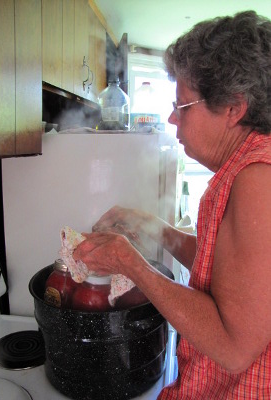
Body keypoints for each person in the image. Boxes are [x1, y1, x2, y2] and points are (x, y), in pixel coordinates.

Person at [73, 10, 271, 399]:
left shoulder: (258, 179)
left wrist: (129, 262)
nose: (171, 118)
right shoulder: (244, 169)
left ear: (233, 107)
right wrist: (155, 227)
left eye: (182, 107)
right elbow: (230, 273)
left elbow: (233, 348)